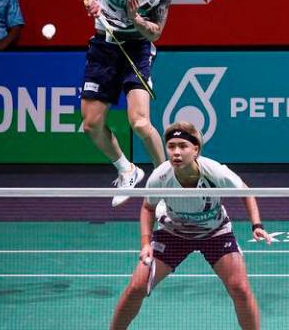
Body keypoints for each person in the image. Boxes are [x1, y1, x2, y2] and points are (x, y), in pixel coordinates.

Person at [110, 121, 272, 330]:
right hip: (172, 233)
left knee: (239, 288)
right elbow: (148, 207)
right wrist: (146, 243)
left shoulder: (215, 172)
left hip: (215, 233)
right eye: (171, 146)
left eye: (183, 146)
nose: (176, 152)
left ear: (196, 149)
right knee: (136, 287)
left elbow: (245, 192)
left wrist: (256, 225)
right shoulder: (160, 176)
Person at [80, 0, 175, 207]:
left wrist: (136, 20)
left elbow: (157, 32)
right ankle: (127, 169)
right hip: (104, 48)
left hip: (136, 48)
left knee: (140, 123)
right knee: (91, 124)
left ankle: (165, 186)